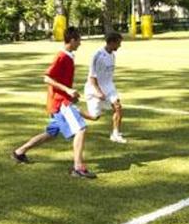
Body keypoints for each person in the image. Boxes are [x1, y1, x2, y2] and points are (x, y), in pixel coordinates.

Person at [11, 27, 96, 179]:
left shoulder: (69, 56)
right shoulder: (61, 56)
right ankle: (77, 168)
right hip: (59, 103)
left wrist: (70, 94)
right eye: (79, 40)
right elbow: (47, 78)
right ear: (72, 40)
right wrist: (68, 91)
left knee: (51, 134)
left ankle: (19, 152)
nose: (80, 43)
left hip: (61, 100)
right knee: (81, 129)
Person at [84, 31, 127, 143]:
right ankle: (75, 112)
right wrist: (98, 92)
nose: (120, 46)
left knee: (118, 107)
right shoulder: (98, 56)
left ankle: (115, 134)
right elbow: (92, 77)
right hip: (95, 88)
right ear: (111, 42)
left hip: (109, 87)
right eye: (118, 43)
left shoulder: (112, 55)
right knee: (95, 117)